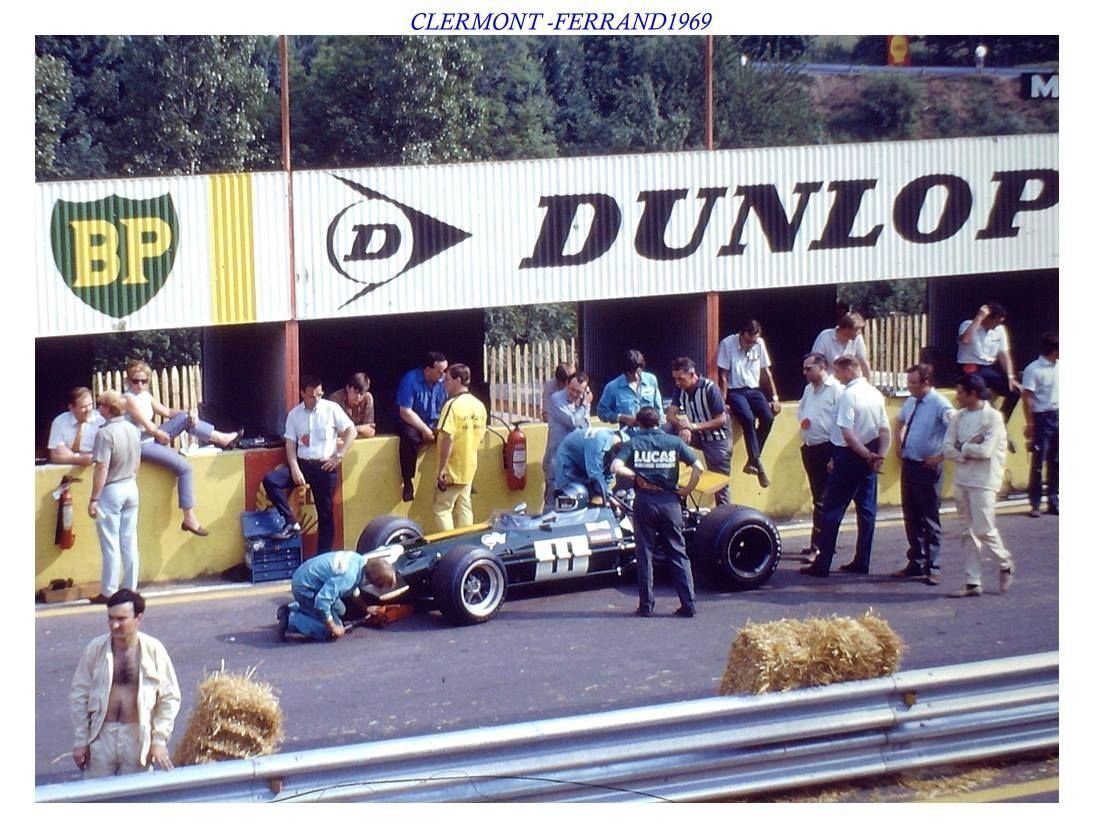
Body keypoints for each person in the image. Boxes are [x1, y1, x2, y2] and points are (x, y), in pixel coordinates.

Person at [69, 589, 180, 777]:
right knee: (97, 797)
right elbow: (79, 695)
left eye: (121, 619)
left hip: (137, 739)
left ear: (138, 618)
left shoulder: (154, 650)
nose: (114, 625)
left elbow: (169, 697)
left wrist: (159, 741)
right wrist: (81, 741)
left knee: (136, 799)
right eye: (110, 618)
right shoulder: (95, 649)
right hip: (102, 737)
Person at [122, 360, 240, 536]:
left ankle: (222, 438)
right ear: (127, 381)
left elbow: (167, 412)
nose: (139, 385)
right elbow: (146, 425)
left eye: (143, 381)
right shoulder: (128, 398)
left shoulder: (145, 396)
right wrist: (158, 434)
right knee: (184, 467)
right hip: (139, 444)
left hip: (152, 437)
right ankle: (189, 516)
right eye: (135, 381)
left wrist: (190, 413)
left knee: (186, 418)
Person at [800, 356, 891, 577]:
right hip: (869, 453)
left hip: (851, 455)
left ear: (849, 370)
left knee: (831, 510)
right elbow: (884, 430)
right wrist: (879, 456)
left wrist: (866, 454)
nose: (837, 376)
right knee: (867, 511)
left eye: (839, 372)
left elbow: (847, 433)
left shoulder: (848, 395)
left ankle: (823, 564)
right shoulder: (875, 393)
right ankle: (862, 560)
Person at [611, 406, 704, 617]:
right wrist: (687, 489)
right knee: (678, 552)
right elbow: (699, 467)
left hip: (645, 500)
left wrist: (635, 476)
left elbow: (615, 467)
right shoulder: (674, 442)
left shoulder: (633, 443)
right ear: (659, 421)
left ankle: (646, 606)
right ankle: (688, 604)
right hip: (670, 500)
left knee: (644, 553)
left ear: (639, 423)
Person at [263, 373, 357, 553]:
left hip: (324, 465)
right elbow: (290, 444)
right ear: (302, 394)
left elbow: (351, 430)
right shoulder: (294, 414)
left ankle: (322, 558)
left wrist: (339, 455)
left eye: (320, 395)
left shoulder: (331, 409)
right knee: (271, 481)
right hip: (303, 464)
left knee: (326, 515)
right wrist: (294, 467)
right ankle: (290, 521)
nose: (316, 399)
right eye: (312, 396)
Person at [943, 375, 1015, 598]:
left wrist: (962, 447)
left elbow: (986, 451)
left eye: (960, 392)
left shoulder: (993, 418)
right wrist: (967, 448)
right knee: (968, 531)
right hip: (963, 477)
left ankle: (1005, 562)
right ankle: (973, 582)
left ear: (972, 393)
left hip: (984, 481)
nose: (957, 396)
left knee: (984, 528)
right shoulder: (958, 417)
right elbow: (946, 447)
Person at [890, 364, 954, 585]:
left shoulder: (939, 404)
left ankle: (932, 565)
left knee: (929, 517)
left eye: (913, 383)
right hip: (910, 463)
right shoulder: (911, 401)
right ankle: (915, 561)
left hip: (927, 467)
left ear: (926, 383)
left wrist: (940, 457)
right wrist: (899, 442)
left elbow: (955, 429)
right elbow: (900, 420)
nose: (909, 387)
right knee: (911, 515)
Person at [87, 391, 142, 604]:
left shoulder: (105, 433)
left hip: (112, 488)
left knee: (110, 542)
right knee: (129, 540)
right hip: (130, 484)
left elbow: (102, 466)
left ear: (108, 408)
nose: (98, 408)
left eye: (101, 405)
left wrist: (94, 498)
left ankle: (109, 590)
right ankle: (131, 587)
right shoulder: (132, 429)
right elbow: (137, 460)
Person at [716, 319, 781, 488]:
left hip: (753, 389)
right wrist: (722, 401)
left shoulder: (759, 344)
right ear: (741, 334)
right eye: (748, 341)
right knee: (747, 418)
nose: (751, 344)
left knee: (768, 417)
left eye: (754, 341)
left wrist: (774, 397)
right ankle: (756, 462)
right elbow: (723, 374)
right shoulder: (727, 344)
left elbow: (766, 372)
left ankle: (753, 460)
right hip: (735, 390)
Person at [276, 551, 397, 642]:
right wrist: (333, 627)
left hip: (306, 575)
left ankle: (294, 607)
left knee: (341, 610)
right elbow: (322, 602)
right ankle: (291, 619)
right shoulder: (349, 576)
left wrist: (365, 609)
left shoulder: (360, 561)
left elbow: (353, 590)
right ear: (374, 580)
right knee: (327, 631)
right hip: (304, 587)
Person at [796, 353, 844, 559]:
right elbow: (801, 411)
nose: (805, 373)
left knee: (824, 500)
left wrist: (836, 455)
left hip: (828, 448)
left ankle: (821, 548)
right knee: (818, 497)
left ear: (822, 367)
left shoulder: (836, 390)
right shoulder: (809, 389)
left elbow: (842, 423)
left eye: (809, 368)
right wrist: (806, 422)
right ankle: (817, 543)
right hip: (810, 447)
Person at [666, 356, 730, 506]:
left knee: (720, 483)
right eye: (675, 379)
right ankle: (678, 503)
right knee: (667, 430)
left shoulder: (710, 388)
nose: (677, 383)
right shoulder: (679, 389)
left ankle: (725, 516)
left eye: (681, 379)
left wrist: (692, 427)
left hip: (716, 438)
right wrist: (684, 426)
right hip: (694, 435)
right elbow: (670, 415)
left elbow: (721, 420)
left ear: (692, 374)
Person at [433, 363, 488, 532]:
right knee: (464, 506)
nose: (444, 384)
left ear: (457, 380)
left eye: (447, 380)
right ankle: (466, 543)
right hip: (469, 465)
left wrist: (442, 468)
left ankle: (450, 544)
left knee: (442, 508)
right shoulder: (479, 405)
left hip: (452, 467)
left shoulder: (452, 405)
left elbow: (448, 436)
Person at [395, 351, 449, 502]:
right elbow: (405, 411)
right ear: (427, 370)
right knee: (409, 438)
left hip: (436, 421)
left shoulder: (445, 381)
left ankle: (459, 479)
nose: (443, 374)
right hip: (414, 421)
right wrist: (424, 429)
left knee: (455, 435)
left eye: (445, 371)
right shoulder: (410, 379)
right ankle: (408, 481)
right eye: (440, 371)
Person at [956, 302, 1021, 426]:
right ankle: (985, 423)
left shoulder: (1000, 329)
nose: (997, 325)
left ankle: (1001, 421)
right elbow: (965, 340)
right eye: (996, 321)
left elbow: (1004, 355)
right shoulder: (968, 324)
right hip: (970, 366)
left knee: (1014, 391)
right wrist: (979, 317)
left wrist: (1010, 377)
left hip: (989, 367)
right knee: (980, 392)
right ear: (988, 317)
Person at [1021, 332, 1059, 517]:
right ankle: (1035, 503)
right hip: (1042, 416)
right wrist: (1030, 422)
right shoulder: (1033, 369)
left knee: (1057, 460)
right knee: (1038, 461)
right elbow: (1027, 397)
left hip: (1058, 414)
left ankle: (1053, 500)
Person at [543, 371, 592, 506]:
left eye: (579, 392)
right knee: (554, 499)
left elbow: (586, 426)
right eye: (572, 389)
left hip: (574, 459)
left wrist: (583, 404)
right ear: (566, 384)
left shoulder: (582, 402)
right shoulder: (556, 399)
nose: (574, 394)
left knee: (573, 498)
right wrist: (584, 405)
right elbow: (573, 422)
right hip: (556, 458)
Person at [596, 349, 663, 437]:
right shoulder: (612, 387)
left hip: (652, 433)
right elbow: (601, 412)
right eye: (631, 373)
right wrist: (621, 418)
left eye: (638, 372)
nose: (635, 376)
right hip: (629, 435)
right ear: (624, 371)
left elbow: (659, 409)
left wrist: (659, 427)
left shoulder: (651, 380)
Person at [554, 427, 621, 503]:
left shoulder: (625, 441)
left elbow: (609, 472)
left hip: (586, 463)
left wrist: (607, 495)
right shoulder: (598, 443)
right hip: (569, 462)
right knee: (569, 497)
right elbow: (594, 474)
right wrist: (608, 496)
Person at [48, 386, 105, 466]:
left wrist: (68, 455)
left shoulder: (101, 420)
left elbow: (104, 453)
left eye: (90, 405)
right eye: (83, 407)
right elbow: (55, 456)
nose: (88, 410)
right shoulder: (60, 422)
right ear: (71, 407)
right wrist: (78, 459)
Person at [811, 312, 873, 384]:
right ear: (846, 329)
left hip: (850, 384)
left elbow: (863, 362)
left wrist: (868, 385)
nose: (859, 333)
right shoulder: (825, 337)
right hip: (828, 384)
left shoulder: (858, 338)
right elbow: (816, 362)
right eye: (856, 330)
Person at [328, 372, 376, 439]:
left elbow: (370, 431)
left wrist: (349, 431)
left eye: (362, 394)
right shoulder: (336, 399)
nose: (358, 397)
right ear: (348, 388)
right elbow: (333, 432)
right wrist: (360, 429)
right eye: (356, 392)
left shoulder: (368, 398)